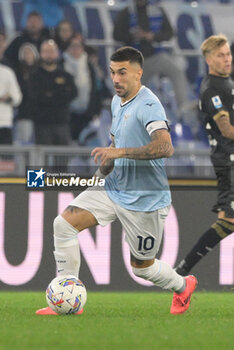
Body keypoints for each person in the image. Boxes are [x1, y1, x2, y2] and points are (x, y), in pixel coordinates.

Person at [36, 46, 197, 316]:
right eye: (112, 73)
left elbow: (165, 147)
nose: (116, 79)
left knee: (141, 267)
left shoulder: (149, 104)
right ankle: (67, 300)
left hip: (145, 198)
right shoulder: (115, 101)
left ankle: (183, 285)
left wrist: (119, 152)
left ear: (138, 73)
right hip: (113, 187)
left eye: (122, 73)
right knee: (63, 225)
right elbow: (115, 142)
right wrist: (99, 175)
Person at [176, 34, 234, 276]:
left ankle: (181, 272)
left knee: (228, 221)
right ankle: (181, 272)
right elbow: (227, 130)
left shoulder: (228, 84)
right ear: (209, 60)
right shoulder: (212, 90)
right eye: (221, 55)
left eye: (228, 53)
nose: (227, 59)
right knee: (229, 221)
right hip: (228, 160)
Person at [113, 0, 189, 118]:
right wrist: (132, 36)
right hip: (135, 62)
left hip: (155, 56)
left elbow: (169, 33)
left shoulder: (157, 10)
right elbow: (116, 35)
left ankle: (183, 106)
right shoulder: (127, 12)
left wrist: (152, 36)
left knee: (177, 70)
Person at [28, 39, 77, 145]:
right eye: (46, 51)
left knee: (62, 157)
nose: (49, 55)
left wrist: (50, 95)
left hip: (62, 121)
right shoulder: (35, 76)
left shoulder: (65, 75)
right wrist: (58, 95)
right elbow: (35, 96)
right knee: (42, 158)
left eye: (51, 51)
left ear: (57, 53)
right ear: (40, 53)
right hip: (42, 123)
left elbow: (73, 93)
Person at [63, 35, 102, 143]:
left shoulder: (89, 66)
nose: (75, 49)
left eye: (78, 46)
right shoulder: (61, 65)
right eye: (72, 46)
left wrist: (95, 111)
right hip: (67, 116)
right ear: (68, 48)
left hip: (87, 115)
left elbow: (96, 90)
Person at [14, 43, 39, 144]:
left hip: (40, 114)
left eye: (30, 52)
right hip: (24, 113)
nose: (28, 55)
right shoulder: (17, 72)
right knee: (23, 142)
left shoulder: (41, 70)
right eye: (25, 52)